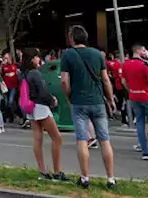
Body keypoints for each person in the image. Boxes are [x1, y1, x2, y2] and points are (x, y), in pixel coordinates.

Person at [60, 25, 117, 190]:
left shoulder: (68, 55)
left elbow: (64, 80)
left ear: (72, 37)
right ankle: (111, 178)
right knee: (105, 140)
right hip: (98, 101)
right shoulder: (97, 54)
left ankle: (85, 178)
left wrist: (69, 96)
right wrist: (110, 98)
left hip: (79, 102)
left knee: (82, 140)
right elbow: (105, 79)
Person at [22, 48, 66, 181]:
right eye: (37, 57)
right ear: (32, 59)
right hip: (41, 106)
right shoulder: (35, 73)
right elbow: (43, 91)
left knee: (37, 139)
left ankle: (42, 171)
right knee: (56, 138)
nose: (38, 59)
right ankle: (57, 171)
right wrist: (52, 100)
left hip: (31, 107)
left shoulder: (25, 73)